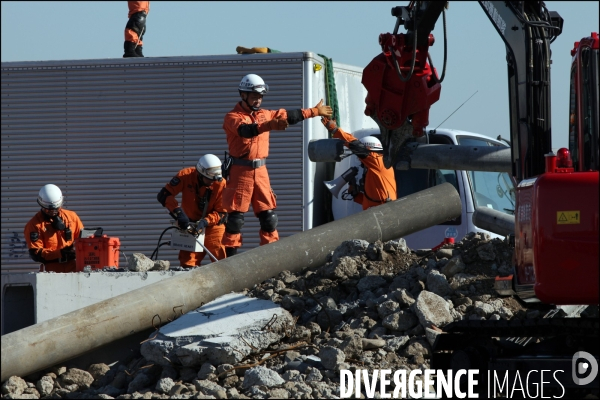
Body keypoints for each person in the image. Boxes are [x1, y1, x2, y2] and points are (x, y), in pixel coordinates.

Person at [221, 74, 333, 256]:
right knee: (235, 220)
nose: (258, 100)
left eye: (260, 97)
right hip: (240, 171)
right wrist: (269, 125)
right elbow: (246, 131)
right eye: (254, 96)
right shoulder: (232, 117)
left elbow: (291, 115)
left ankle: (271, 257)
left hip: (261, 171)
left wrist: (314, 111)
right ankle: (230, 260)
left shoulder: (265, 114)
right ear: (243, 95)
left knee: (269, 217)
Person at [157, 154, 228, 266]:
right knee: (188, 263)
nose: (212, 182)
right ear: (200, 174)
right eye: (209, 179)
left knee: (221, 259)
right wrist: (178, 212)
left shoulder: (220, 183)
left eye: (214, 180)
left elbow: (221, 213)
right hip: (191, 225)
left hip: (213, 226)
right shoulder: (186, 175)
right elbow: (164, 195)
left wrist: (205, 221)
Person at [321, 117, 397, 209]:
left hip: (383, 214)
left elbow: (355, 145)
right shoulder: (374, 170)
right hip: (377, 214)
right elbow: (372, 200)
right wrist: (356, 195)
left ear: (370, 150)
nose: (359, 158)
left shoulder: (378, 162)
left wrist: (335, 130)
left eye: (359, 155)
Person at [24, 184, 84, 273]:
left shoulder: (72, 217)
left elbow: (84, 240)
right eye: (49, 210)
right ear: (42, 205)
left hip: (73, 267)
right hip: (51, 270)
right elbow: (36, 253)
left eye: (56, 209)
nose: (53, 212)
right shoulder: (34, 225)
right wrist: (60, 253)